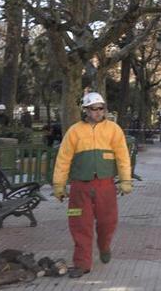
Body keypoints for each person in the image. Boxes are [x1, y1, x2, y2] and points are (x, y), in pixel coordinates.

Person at [52, 92, 132, 278]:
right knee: (79, 223)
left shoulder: (113, 129)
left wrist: (126, 180)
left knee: (108, 222)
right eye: (94, 109)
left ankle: (104, 247)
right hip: (79, 187)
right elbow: (63, 159)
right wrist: (59, 185)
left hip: (106, 186)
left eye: (101, 108)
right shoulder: (74, 131)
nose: (98, 112)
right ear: (86, 110)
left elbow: (122, 156)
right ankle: (82, 264)